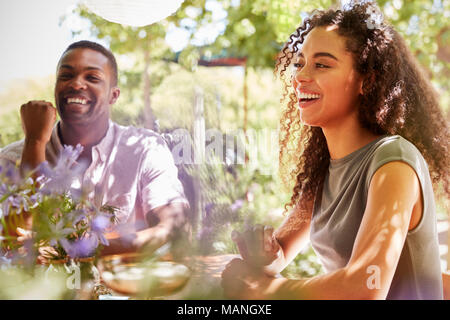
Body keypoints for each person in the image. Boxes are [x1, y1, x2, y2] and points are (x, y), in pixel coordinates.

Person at [221, 2, 448, 300]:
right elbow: (281, 255)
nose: (300, 76)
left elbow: (366, 287)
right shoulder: (324, 168)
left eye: (322, 64)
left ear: (367, 81)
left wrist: (270, 290)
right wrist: (266, 256)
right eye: (300, 63)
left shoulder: (394, 164)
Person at [0, 40, 189, 257]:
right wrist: (34, 143)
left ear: (113, 95)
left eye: (92, 77)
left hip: (123, 288)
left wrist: (77, 250)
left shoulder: (145, 149)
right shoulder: (11, 159)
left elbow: (175, 229)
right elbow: (18, 246)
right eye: (66, 76)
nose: (76, 84)